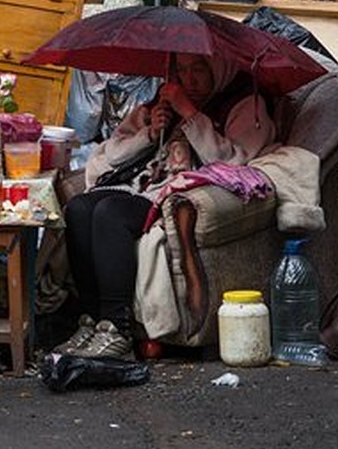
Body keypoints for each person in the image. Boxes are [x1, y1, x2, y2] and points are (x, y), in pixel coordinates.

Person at [58, 53, 277, 359]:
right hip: (138, 185)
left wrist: (189, 113)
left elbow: (234, 161)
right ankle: (93, 321)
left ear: (219, 69)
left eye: (199, 69)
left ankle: (116, 328)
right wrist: (150, 132)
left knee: (111, 215)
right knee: (80, 210)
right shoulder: (158, 104)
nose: (190, 80)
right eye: (182, 71)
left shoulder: (245, 106)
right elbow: (114, 154)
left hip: (180, 192)